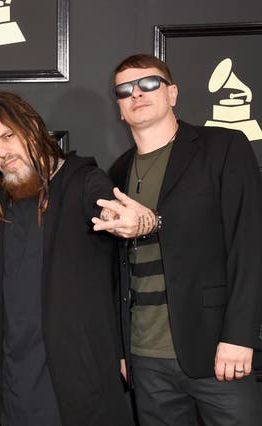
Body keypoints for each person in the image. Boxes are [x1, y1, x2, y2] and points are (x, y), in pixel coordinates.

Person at [0, 91, 134, 425]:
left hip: (79, 371)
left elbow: (117, 213)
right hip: (16, 372)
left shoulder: (84, 180)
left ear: (33, 127)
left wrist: (134, 221)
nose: (2, 152)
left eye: (8, 136)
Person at [91, 53, 262, 425]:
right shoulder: (116, 173)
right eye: (124, 90)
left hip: (218, 349)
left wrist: (239, 336)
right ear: (119, 109)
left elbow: (249, 245)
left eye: (149, 83)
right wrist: (123, 349)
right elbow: (118, 270)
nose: (136, 93)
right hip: (144, 358)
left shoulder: (224, 147)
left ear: (172, 94)